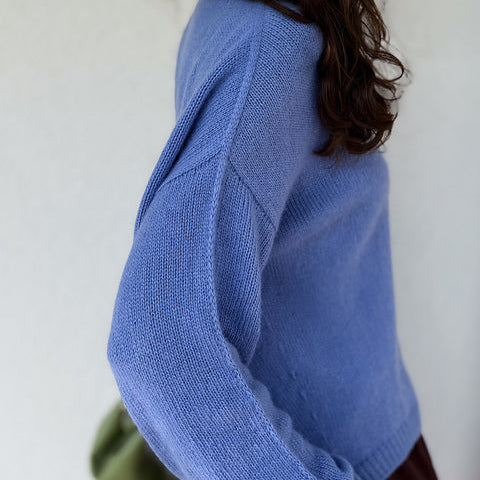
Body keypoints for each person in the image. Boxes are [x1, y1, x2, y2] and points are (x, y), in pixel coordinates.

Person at [100, 0, 440, 478]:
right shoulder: (268, 46)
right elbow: (158, 341)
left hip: (371, 441)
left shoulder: (240, 20)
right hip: (350, 460)